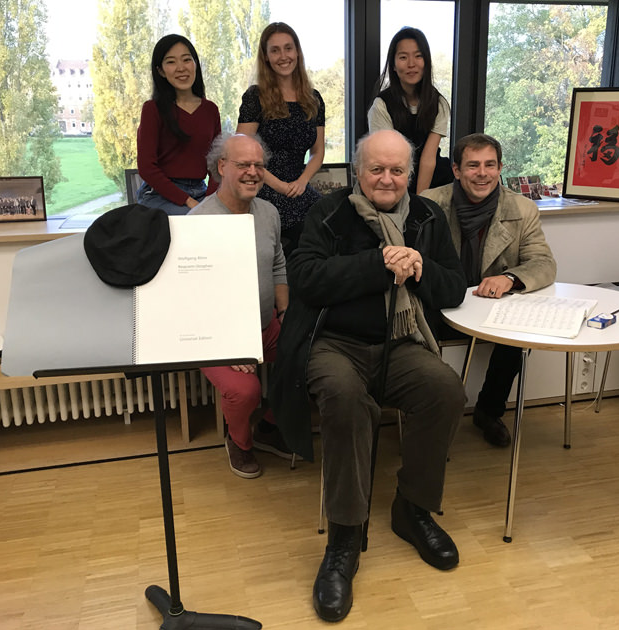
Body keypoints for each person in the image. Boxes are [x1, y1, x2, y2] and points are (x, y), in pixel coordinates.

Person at [270, 129, 466, 622]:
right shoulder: (330, 213)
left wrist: (420, 267)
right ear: (358, 172)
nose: (387, 178)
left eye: (397, 170)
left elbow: (454, 289)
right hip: (334, 342)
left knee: (445, 389)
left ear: (408, 174)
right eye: (376, 169)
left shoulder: (427, 217)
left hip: (400, 343)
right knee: (344, 397)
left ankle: (412, 508)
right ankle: (344, 537)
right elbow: (307, 278)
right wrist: (377, 262)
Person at [422, 133, 557, 447]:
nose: (482, 173)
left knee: (516, 339)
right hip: (441, 303)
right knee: (418, 335)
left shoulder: (523, 209)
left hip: (491, 307)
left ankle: (488, 412)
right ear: (456, 170)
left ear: (499, 169)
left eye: (489, 165)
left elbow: (544, 263)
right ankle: (431, 420)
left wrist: (510, 279)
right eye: (472, 165)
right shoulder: (430, 203)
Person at [189, 133, 291, 479]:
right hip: (215, 337)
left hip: (264, 326)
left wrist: (286, 316)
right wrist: (228, 346)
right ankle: (240, 441)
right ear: (221, 167)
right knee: (245, 390)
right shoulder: (198, 223)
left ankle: (269, 426)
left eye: (259, 165)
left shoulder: (269, 213)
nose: (253, 172)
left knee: (310, 359)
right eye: (243, 164)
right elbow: (191, 297)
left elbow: (278, 265)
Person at [237, 22, 325, 257]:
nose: (283, 56)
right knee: (302, 233)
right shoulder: (255, 97)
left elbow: (318, 152)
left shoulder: (314, 98)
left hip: (299, 186)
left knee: (330, 222)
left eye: (288, 48)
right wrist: (280, 186)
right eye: (275, 50)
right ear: (265, 57)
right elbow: (241, 154)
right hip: (263, 186)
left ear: (297, 52)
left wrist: (303, 181)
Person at [136, 34, 221, 215]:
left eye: (187, 60)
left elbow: (217, 163)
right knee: (194, 223)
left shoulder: (210, 109)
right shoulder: (152, 109)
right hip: (160, 195)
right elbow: (146, 167)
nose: (181, 68)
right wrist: (188, 201)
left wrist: (209, 199)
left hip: (201, 192)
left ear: (195, 64)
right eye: (171, 62)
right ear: (160, 71)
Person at [368, 26, 453, 195]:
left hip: (433, 177)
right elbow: (388, 159)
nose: (411, 64)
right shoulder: (381, 106)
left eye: (418, 56)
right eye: (403, 57)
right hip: (393, 177)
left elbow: (428, 158)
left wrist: (420, 200)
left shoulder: (439, 103)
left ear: (426, 61)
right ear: (393, 65)